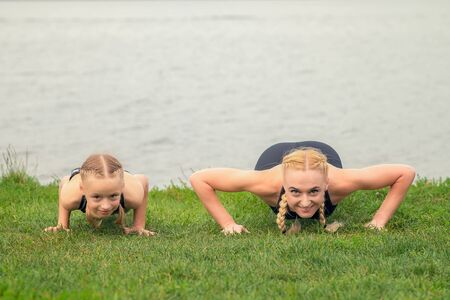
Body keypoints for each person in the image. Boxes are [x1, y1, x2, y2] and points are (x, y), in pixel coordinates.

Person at [189, 141, 415, 235]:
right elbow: (200, 179)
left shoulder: (341, 181)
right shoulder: (266, 182)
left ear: (326, 185)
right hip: (275, 155)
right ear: (283, 186)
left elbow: (405, 172)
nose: (305, 202)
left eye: (314, 192)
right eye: (295, 191)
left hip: (320, 151)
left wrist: (379, 220)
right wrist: (228, 224)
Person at [44, 154, 155, 236]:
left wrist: (138, 226)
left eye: (113, 196)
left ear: (121, 187)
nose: (105, 206)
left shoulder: (132, 195)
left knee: (134, 192)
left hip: (115, 175)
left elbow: (143, 180)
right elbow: (63, 183)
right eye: (97, 197)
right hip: (82, 177)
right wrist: (62, 225)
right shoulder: (71, 196)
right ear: (83, 189)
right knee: (67, 185)